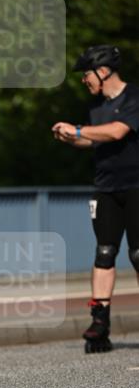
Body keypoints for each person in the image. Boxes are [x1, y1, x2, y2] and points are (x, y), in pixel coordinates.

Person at [52, 45, 139, 352]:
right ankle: (100, 321)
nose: (83, 80)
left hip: (136, 187)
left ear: (103, 72)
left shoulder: (134, 98)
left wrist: (78, 129)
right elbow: (94, 140)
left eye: (86, 73)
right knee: (104, 252)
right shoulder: (97, 108)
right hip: (106, 188)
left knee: (137, 254)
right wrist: (72, 138)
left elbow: (117, 132)